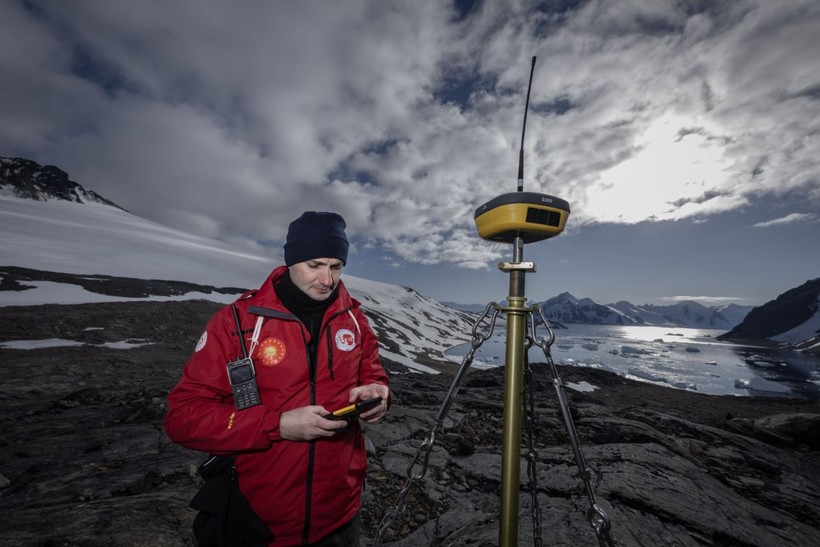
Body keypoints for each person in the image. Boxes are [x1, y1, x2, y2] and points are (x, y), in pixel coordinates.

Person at [164, 211, 391, 546]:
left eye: (336, 266)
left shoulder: (354, 320)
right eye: (315, 265)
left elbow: (371, 371)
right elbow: (183, 418)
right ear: (291, 261)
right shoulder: (236, 322)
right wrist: (279, 425)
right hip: (258, 520)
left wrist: (379, 391)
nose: (327, 279)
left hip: (340, 514)